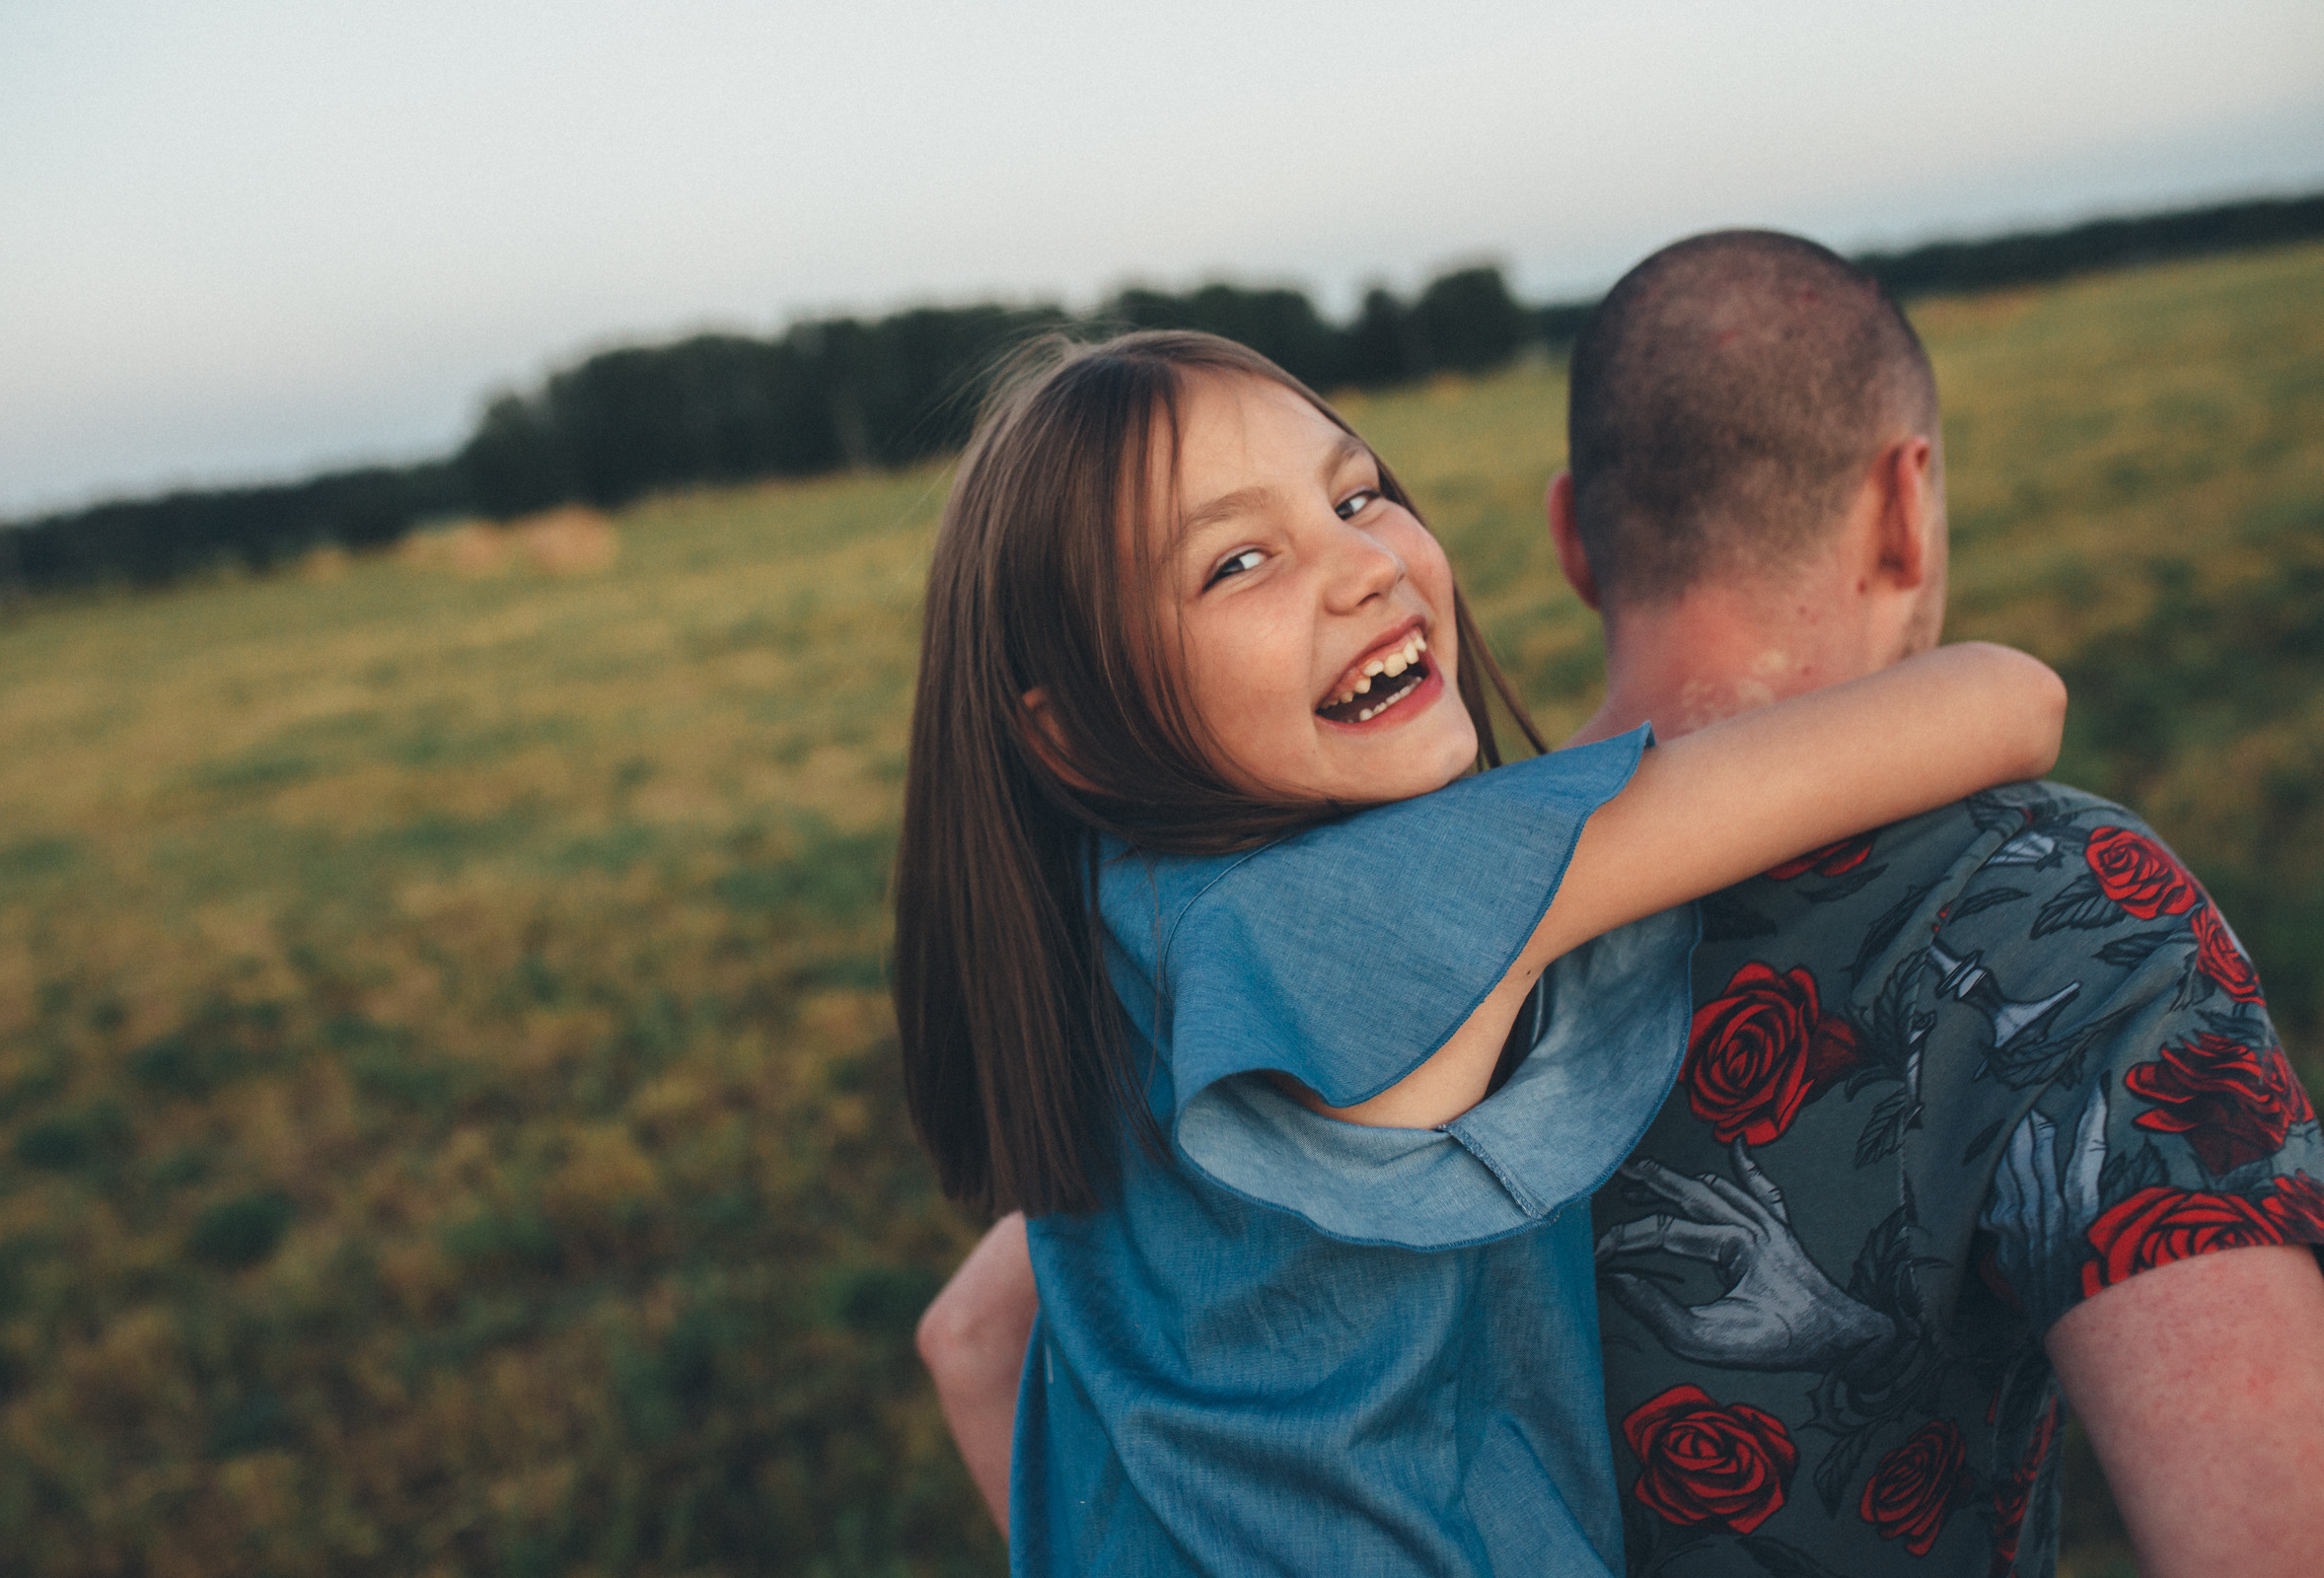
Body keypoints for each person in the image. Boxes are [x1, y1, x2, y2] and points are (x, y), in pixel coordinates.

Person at [913, 238, 2324, 1578]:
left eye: (1355, 496)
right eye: (1238, 561)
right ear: (1908, 501)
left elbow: (973, 1338)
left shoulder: (1122, 931)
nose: (1366, 563)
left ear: (1574, 536)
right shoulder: (1379, 921)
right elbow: (2014, 697)